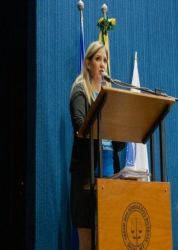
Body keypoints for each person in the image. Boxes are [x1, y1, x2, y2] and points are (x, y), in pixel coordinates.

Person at [69, 41, 125, 250]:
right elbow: (80, 128)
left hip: (111, 178)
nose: (102, 64)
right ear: (88, 64)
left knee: (107, 243)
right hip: (86, 177)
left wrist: (123, 124)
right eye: (98, 59)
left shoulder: (110, 96)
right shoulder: (80, 92)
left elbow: (118, 143)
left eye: (105, 60)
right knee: (88, 245)